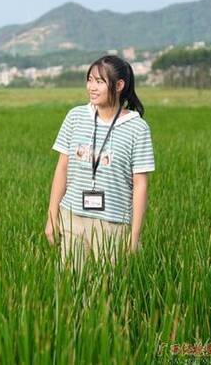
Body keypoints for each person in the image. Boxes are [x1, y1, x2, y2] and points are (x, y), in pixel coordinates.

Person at [45, 55, 154, 269]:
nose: (92, 87)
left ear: (119, 85)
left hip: (113, 224)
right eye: (90, 80)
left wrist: (133, 236)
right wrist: (52, 216)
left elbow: (140, 185)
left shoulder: (137, 128)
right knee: (71, 287)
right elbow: (62, 168)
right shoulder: (76, 116)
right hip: (72, 217)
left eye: (99, 82)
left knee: (110, 289)